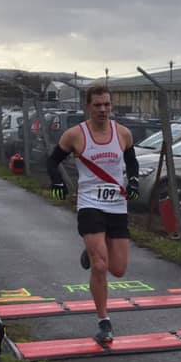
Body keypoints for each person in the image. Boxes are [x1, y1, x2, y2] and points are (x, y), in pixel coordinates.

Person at [46, 84, 140, 345]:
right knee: (100, 266)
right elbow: (52, 161)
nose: (103, 109)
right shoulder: (75, 135)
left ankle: (92, 250)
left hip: (117, 206)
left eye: (107, 104)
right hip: (90, 204)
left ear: (111, 105)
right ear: (88, 106)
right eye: (97, 105)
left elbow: (131, 162)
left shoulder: (123, 134)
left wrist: (133, 181)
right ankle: (104, 322)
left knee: (118, 269)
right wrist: (57, 182)